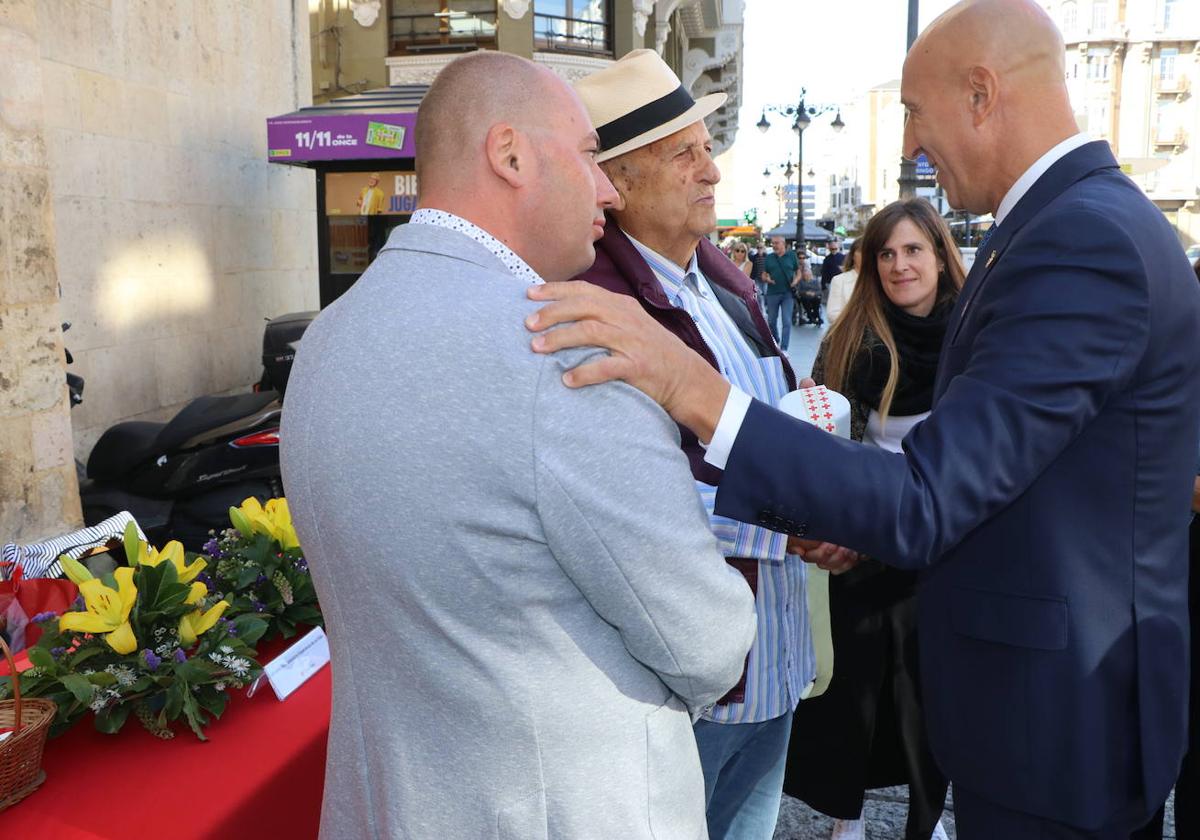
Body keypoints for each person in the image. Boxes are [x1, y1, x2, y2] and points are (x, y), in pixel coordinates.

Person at [524, 0, 1200, 836]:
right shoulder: (1063, 229)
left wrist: (688, 387)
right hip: (1039, 710)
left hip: (1060, 721)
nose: (911, 143)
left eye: (915, 112)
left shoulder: (1078, 241)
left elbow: (927, 497)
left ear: (982, 94)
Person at [280, 51, 756, 840]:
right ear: (509, 154)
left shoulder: (327, 337)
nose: (606, 187)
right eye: (586, 155)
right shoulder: (565, 347)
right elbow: (707, 642)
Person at [570, 48, 819, 840]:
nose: (711, 171)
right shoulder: (596, 305)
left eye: (707, 148)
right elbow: (617, 495)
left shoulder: (724, 281)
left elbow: (763, 427)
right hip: (690, 686)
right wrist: (803, 516)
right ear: (617, 184)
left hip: (771, 659)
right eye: (683, 153)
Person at [787, 200, 959, 840]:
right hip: (863, 543)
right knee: (855, 694)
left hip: (943, 547)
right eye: (886, 253)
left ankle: (928, 814)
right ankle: (845, 816)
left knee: (928, 693)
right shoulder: (852, 341)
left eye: (913, 250)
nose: (899, 265)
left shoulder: (976, 337)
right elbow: (818, 439)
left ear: (940, 256)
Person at [762, 235, 805, 349]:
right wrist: (767, 279)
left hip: (788, 294)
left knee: (786, 321)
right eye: (773, 243)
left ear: (783, 243)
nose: (774, 245)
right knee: (771, 321)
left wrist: (795, 281)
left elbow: (799, 272)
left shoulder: (791, 256)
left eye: (776, 243)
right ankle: (776, 339)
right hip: (772, 293)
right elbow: (763, 274)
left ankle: (784, 348)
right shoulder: (769, 258)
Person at [825, 239, 860, 323]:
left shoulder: (880, 280)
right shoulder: (839, 280)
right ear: (853, 256)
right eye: (861, 251)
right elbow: (832, 315)